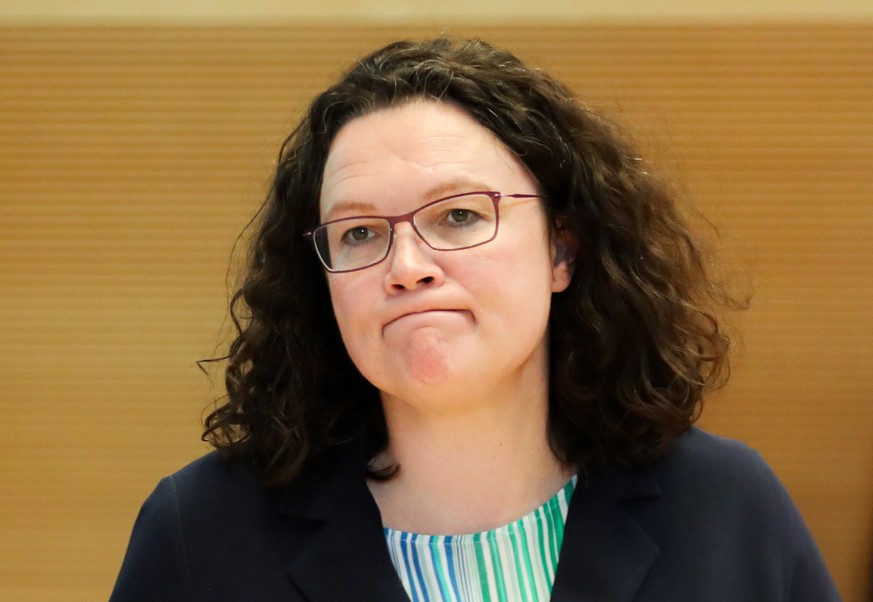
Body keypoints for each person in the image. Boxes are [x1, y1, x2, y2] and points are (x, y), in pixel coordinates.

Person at [110, 38, 840, 601]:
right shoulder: (199, 533)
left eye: (459, 216)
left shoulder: (723, 508)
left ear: (561, 251)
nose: (405, 264)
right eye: (358, 233)